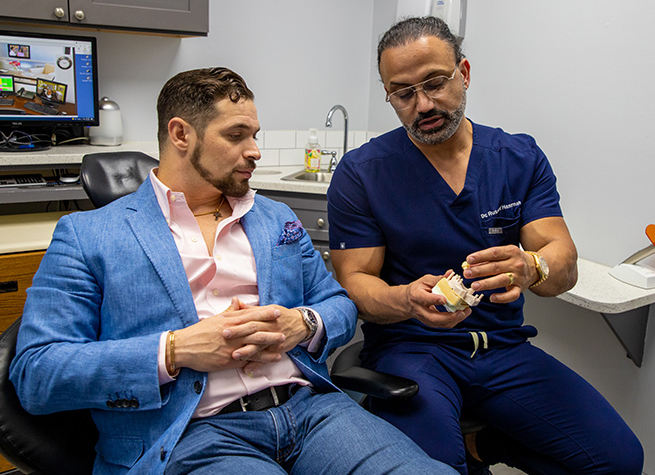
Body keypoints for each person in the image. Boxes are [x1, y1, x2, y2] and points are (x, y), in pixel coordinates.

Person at [10, 67, 457, 475]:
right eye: (237, 134)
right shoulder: (88, 235)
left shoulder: (276, 217)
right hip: (192, 432)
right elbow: (38, 374)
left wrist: (302, 324)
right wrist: (174, 351)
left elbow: (338, 304)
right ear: (181, 134)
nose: (255, 151)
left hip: (312, 412)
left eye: (255, 134)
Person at [327, 17, 644, 475]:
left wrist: (532, 266)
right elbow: (355, 281)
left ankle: (489, 445)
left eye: (436, 82)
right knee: (435, 468)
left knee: (618, 462)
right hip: (414, 350)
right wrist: (405, 299)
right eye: (403, 93)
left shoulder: (517, 158)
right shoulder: (363, 173)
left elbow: (563, 260)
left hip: (503, 348)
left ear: (465, 73)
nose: (423, 104)